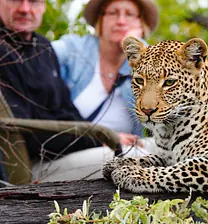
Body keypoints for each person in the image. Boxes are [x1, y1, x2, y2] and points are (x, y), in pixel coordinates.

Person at [0, 0, 104, 164]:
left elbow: (66, 108)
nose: (25, 9)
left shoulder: (43, 46)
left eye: (34, 1)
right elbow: (23, 135)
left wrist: (101, 135)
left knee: (133, 150)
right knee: (123, 161)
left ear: (44, 6)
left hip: (63, 152)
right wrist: (96, 140)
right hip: (33, 164)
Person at [52, 0, 159, 145]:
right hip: (71, 148)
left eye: (129, 14)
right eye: (113, 13)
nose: (121, 21)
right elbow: (38, 55)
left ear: (141, 23)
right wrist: (104, 138)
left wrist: (136, 45)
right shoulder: (74, 50)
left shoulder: (144, 66)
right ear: (101, 19)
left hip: (125, 152)